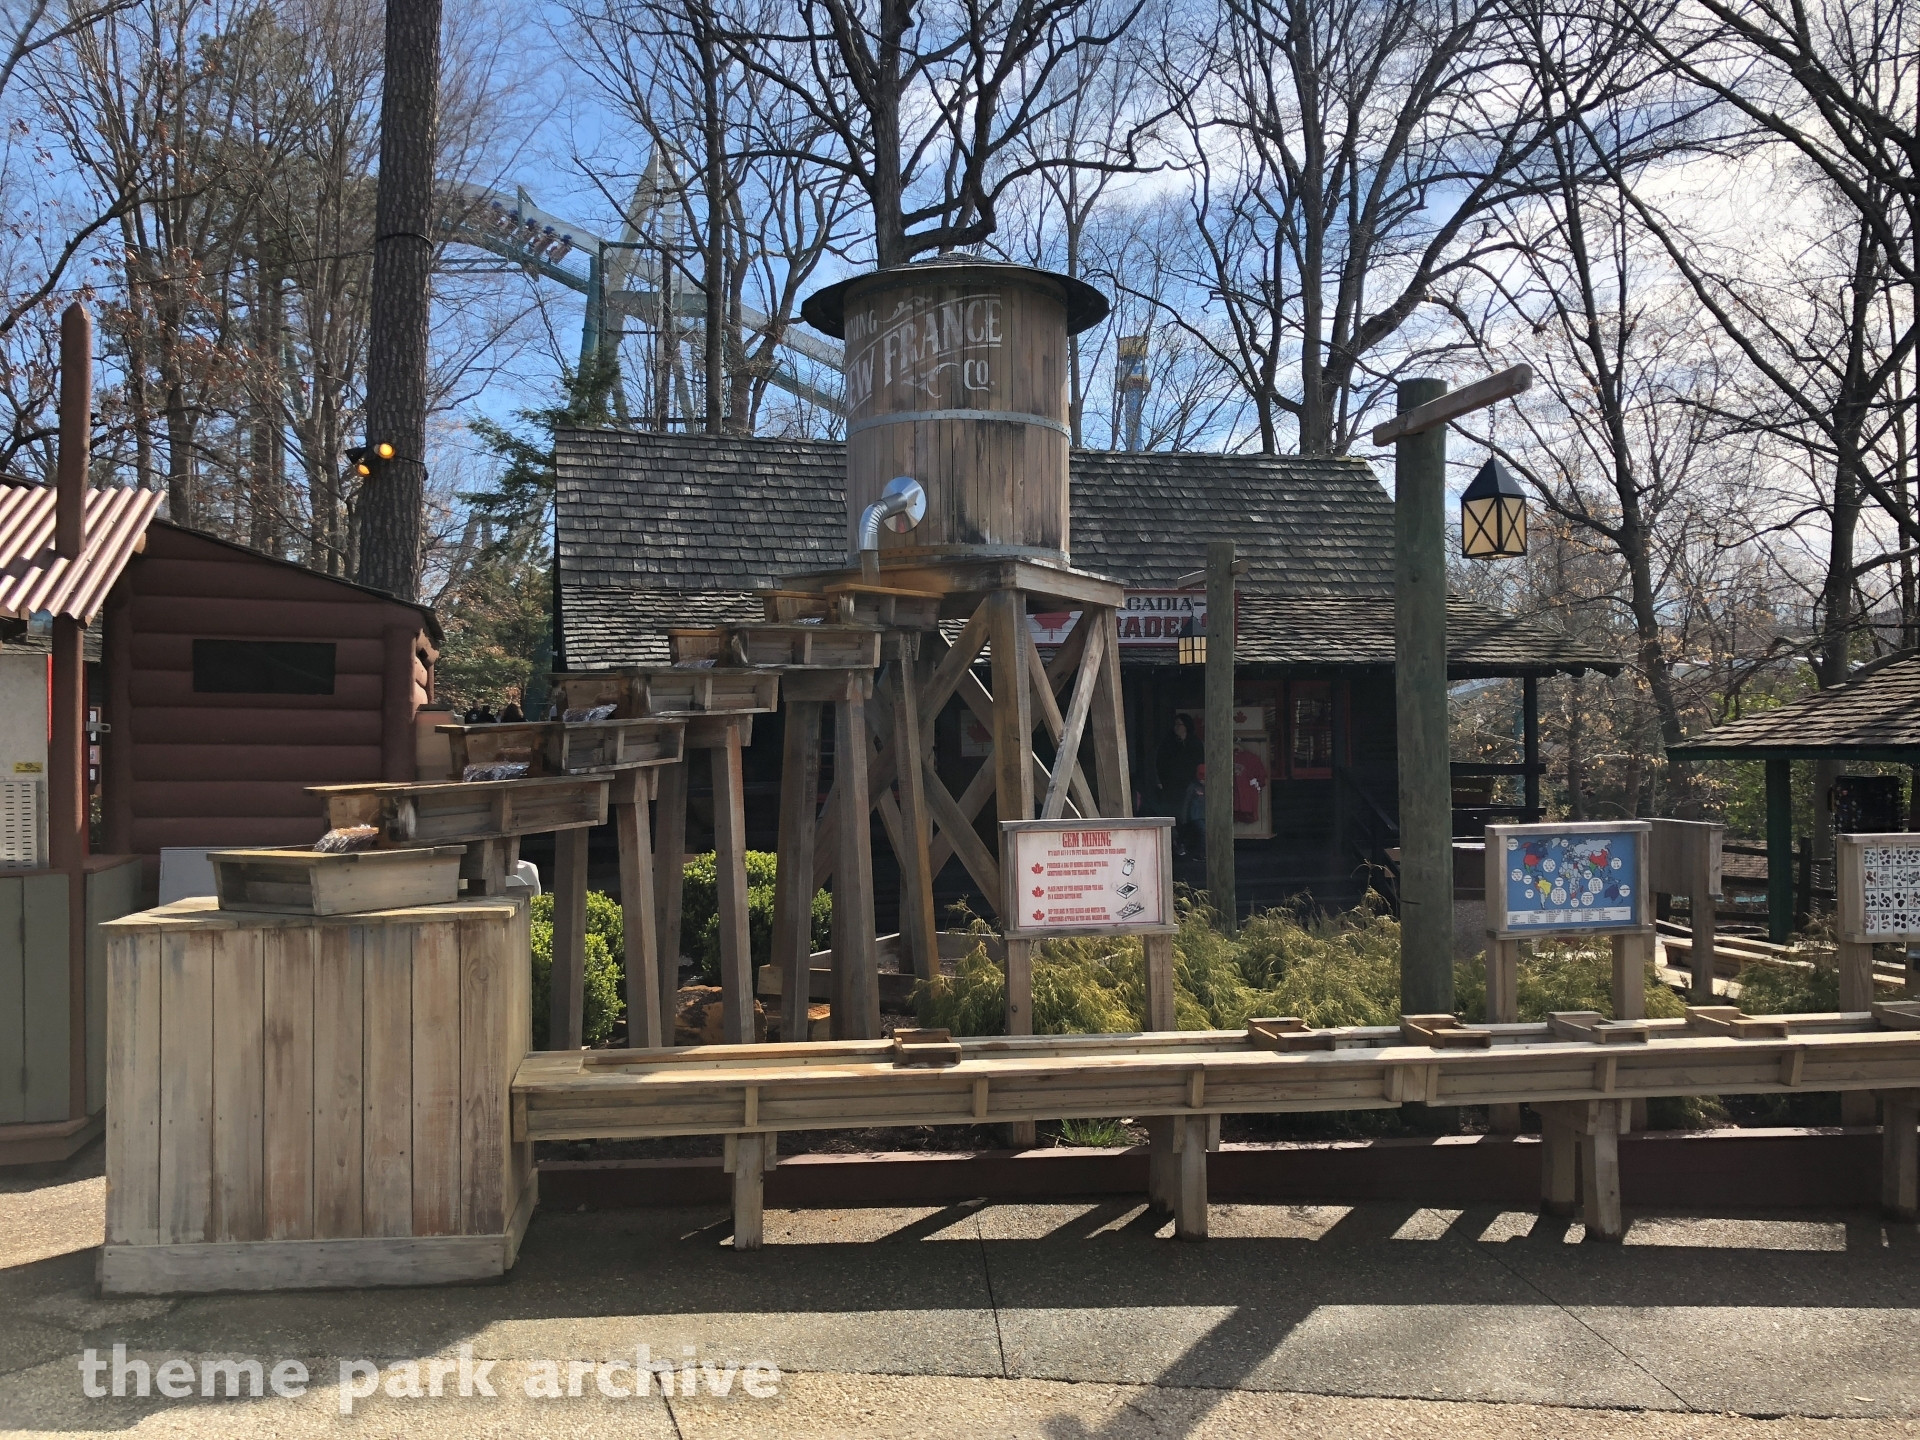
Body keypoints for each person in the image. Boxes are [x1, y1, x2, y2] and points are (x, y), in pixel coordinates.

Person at [1157, 715, 1202, 854]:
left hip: (1190, 785)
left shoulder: (1194, 743)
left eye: (1179, 724)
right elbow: (1160, 762)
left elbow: (1199, 763)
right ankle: (1177, 843)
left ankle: (1190, 844)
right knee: (1173, 813)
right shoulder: (1169, 742)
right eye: (1175, 724)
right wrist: (1160, 781)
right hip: (1171, 786)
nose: (1176, 727)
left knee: (1191, 815)